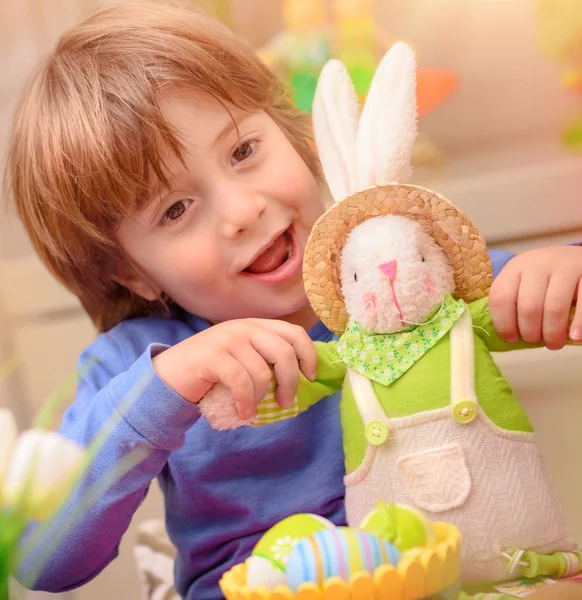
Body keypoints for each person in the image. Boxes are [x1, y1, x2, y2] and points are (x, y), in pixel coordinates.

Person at [5, 1, 582, 598]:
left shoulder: (402, 279)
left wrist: (563, 270)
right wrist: (162, 390)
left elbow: (555, 294)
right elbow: (43, 559)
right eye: (175, 209)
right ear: (131, 273)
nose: (241, 210)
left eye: (242, 152)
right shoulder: (133, 366)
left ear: (297, 134)